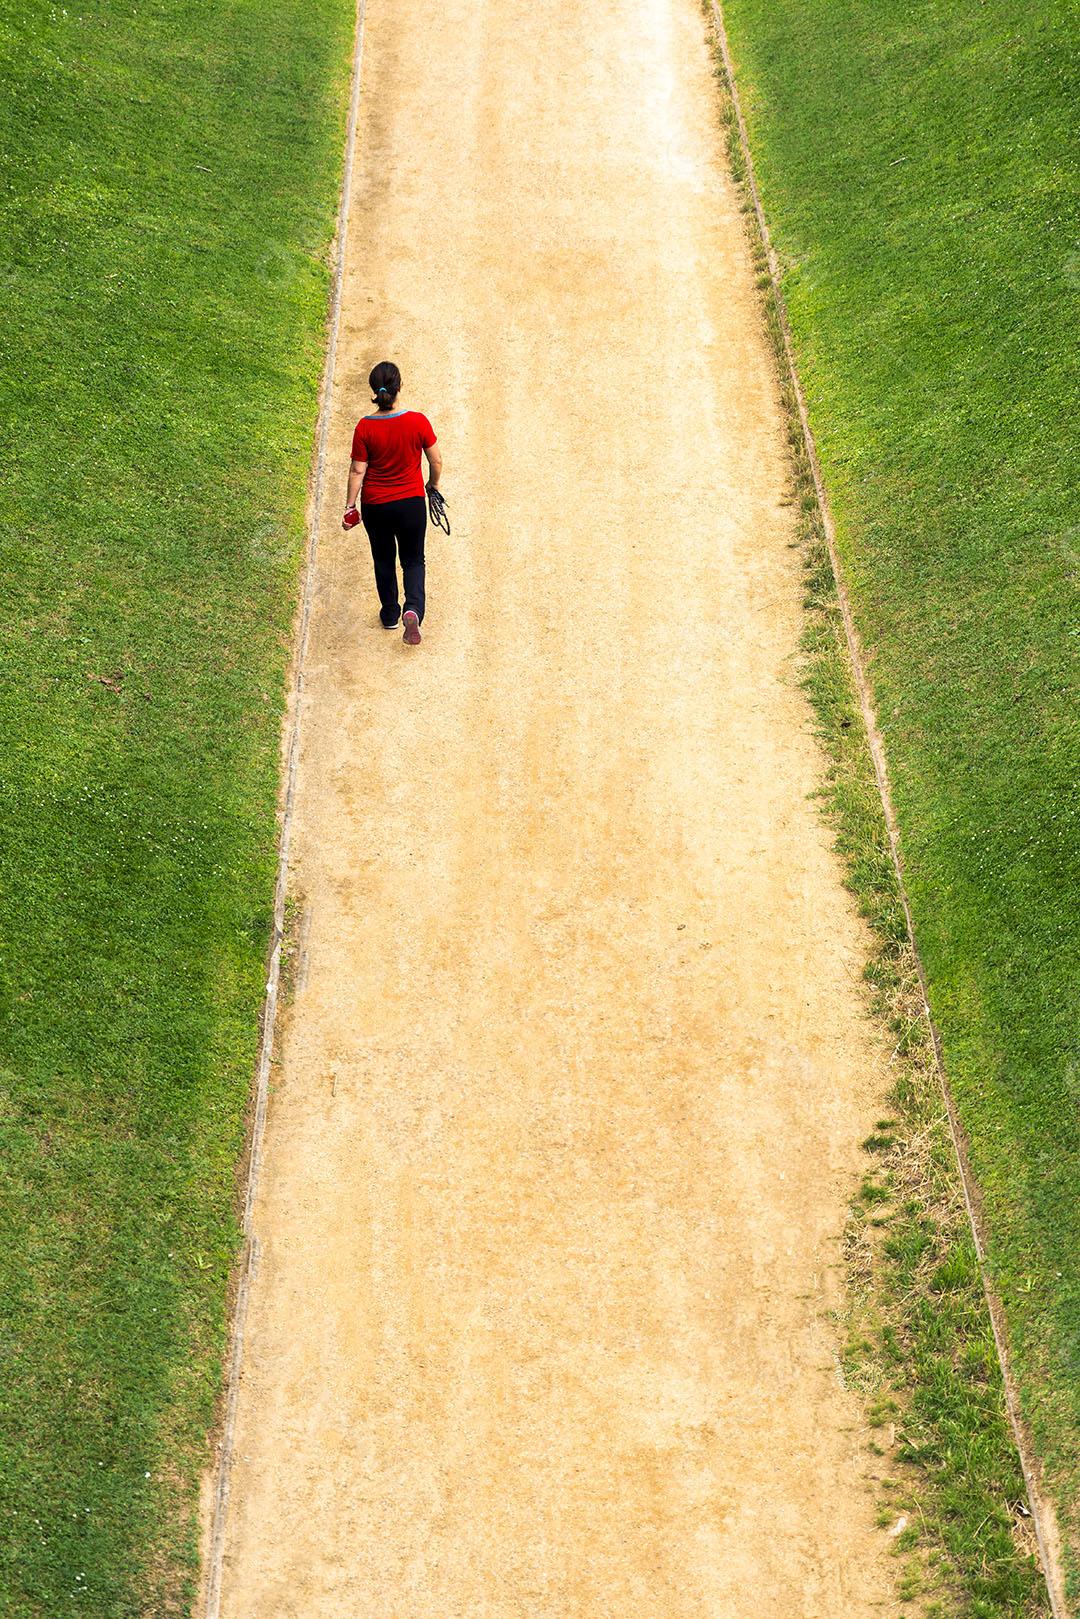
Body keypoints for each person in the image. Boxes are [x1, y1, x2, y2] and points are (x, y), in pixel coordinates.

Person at [342, 361, 443, 646]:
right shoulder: (418, 421)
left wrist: (350, 507)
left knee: (383, 559)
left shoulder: (364, 427)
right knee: (413, 559)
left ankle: (389, 614)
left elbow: (357, 471)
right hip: (411, 504)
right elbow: (436, 460)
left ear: (374, 390)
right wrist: (433, 485)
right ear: (400, 386)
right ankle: (413, 610)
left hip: (376, 506)